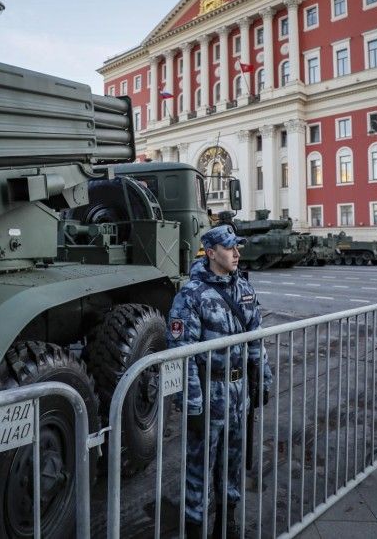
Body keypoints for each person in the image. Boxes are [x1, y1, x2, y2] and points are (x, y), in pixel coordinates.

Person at [165, 225, 273, 537]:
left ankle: (226, 524)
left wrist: (262, 379)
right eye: (229, 249)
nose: (237, 254)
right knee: (199, 468)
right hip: (209, 392)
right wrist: (192, 404)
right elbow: (181, 354)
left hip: (240, 393)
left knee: (234, 463)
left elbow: (257, 341)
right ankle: (195, 526)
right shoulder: (191, 296)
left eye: (237, 247)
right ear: (211, 253)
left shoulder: (244, 290)